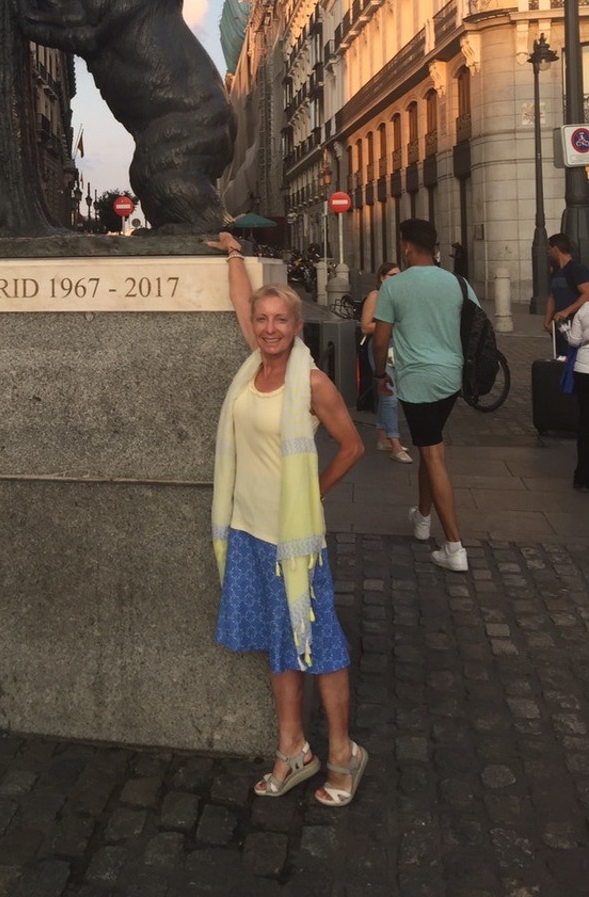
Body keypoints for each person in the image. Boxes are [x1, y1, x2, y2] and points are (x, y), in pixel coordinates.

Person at [209, 232, 367, 807]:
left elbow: (351, 446)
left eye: (281, 320)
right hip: (249, 530)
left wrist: (313, 495)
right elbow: (238, 300)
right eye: (263, 319)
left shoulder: (312, 383)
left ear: (297, 327)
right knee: (281, 642)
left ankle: (345, 752)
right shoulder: (252, 367)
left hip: (294, 540)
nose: (270, 328)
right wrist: (233, 255)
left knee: (318, 642)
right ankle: (293, 748)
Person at [371, 217, 479, 573]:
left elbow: (381, 338)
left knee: (432, 455)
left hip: (416, 380)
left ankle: (454, 546)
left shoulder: (395, 287)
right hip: (452, 377)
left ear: (405, 246)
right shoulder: (457, 282)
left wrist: (379, 374)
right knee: (429, 444)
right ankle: (422, 517)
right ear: (433, 246)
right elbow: (476, 323)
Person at [360, 262, 411, 463]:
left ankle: (383, 438)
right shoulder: (376, 296)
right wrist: (390, 324)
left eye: (400, 275)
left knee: (387, 394)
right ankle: (396, 444)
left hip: (398, 348)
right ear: (382, 277)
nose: (397, 279)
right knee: (390, 395)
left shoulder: (401, 297)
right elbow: (365, 326)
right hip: (381, 347)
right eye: (392, 275)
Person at [561, 300, 589, 493]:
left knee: (585, 421)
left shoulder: (585, 308)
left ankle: (582, 476)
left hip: (583, 369)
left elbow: (573, 341)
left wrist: (564, 330)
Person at [544, 234, 589, 335]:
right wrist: (547, 320)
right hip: (560, 324)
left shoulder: (577, 269)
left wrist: (567, 311)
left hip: (577, 323)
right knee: (561, 350)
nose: (548, 252)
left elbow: (587, 294)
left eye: (549, 249)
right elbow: (552, 296)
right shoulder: (555, 272)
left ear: (555, 248)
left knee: (574, 350)